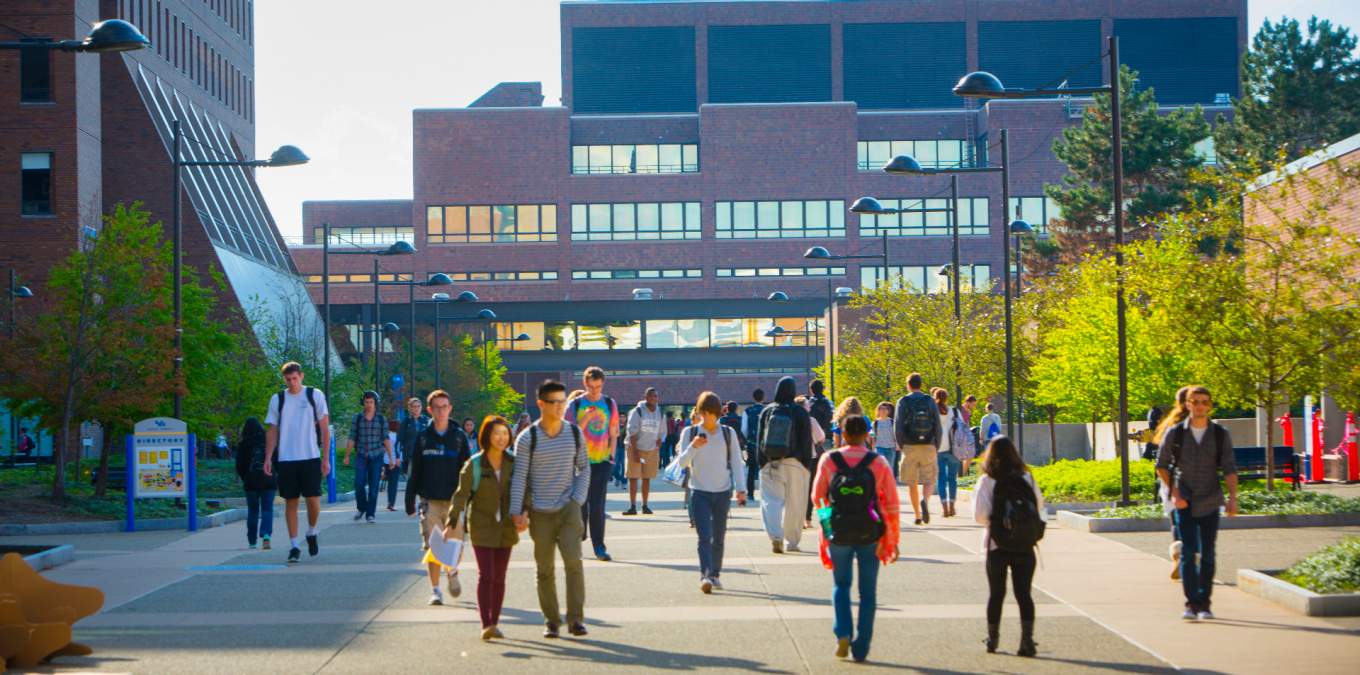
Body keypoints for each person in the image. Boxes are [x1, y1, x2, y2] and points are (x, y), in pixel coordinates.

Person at [811, 415, 900, 662]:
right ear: (867, 434)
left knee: (841, 585)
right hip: (869, 531)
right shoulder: (878, 462)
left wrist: (827, 524)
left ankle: (842, 632)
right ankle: (861, 647)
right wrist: (891, 537)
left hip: (838, 532)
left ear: (843, 432)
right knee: (868, 593)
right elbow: (892, 503)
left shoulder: (830, 460)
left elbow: (817, 497)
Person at [510, 380, 590, 638]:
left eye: (562, 402)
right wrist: (516, 511)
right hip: (540, 512)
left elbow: (584, 468)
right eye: (554, 402)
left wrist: (577, 498)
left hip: (568, 508)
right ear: (541, 404)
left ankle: (576, 619)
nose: (559, 407)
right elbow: (519, 476)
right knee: (544, 568)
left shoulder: (574, 434)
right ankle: (552, 621)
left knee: (573, 561)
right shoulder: (527, 438)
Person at [1156, 385, 1237, 621]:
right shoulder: (1175, 433)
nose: (1200, 405)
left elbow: (1229, 468)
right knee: (1189, 552)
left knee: (1209, 554)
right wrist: (1175, 493)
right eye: (1195, 401)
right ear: (1187, 404)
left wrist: (1233, 498)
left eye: (1204, 402)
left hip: (1211, 499)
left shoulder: (1220, 434)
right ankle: (1191, 603)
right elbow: (1161, 465)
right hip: (1185, 501)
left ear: (1209, 405)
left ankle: (1205, 603)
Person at [448, 415, 520, 640]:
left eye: (505, 433)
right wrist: (452, 522)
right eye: (496, 433)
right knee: (486, 574)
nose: (501, 438)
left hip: (506, 527)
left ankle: (494, 622)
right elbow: (461, 495)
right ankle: (486, 623)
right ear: (487, 436)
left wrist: (525, 512)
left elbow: (524, 490)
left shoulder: (514, 463)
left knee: (500, 576)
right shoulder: (475, 464)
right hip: (481, 525)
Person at [974, 435, 1046, 657]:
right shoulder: (1027, 477)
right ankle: (1027, 641)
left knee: (996, 593)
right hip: (1025, 544)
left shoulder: (987, 480)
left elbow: (980, 515)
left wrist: (998, 526)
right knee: (1024, 594)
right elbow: (1040, 507)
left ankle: (993, 639)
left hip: (997, 544)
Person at [405, 389, 472, 606]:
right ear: (430, 410)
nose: (441, 411)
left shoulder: (459, 437)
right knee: (433, 546)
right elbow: (415, 470)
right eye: (437, 408)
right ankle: (435, 590)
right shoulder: (423, 438)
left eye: (445, 407)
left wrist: (471, 497)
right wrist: (409, 499)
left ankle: (452, 572)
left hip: (455, 501)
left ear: (450, 408)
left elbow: (469, 470)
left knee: (455, 545)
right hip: (430, 500)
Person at [675, 392, 748, 593]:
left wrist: (741, 489)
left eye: (711, 414)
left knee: (719, 536)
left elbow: (736, 462)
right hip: (699, 491)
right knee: (704, 536)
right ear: (698, 412)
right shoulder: (689, 433)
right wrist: (693, 447)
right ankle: (705, 575)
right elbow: (682, 462)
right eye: (703, 413)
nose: (706, 418)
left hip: (723, 491)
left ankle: (715, 574)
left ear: (718, 414)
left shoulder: (727, 433)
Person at [262, 361, 331, 564]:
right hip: (286, 458)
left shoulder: (314, 395)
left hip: (310, 455)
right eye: (288, 379)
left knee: (313, 500)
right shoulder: (278, 399)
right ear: (284, 379)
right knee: (290, 502)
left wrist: (325, 458)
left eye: (294, 378)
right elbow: (272, 429)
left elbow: (325, 429)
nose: (292, 382)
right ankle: (294, 546)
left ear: (301, 376)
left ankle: (311, 531)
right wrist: (268, 457)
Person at [565, 367, 619, 561]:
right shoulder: (576, 404)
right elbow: (568, 433)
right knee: (580, 503)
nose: (595, 390)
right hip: (580, 462)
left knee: (598, 505)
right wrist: (585, 420)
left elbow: (614, 432)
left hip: (602, 461)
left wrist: (611, 457)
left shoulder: (609, 403)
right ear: (585, 384)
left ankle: (599, 547)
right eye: (591, 386)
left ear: (602, 384)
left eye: (598, 386)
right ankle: (579, 536)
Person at [757, 376, 815, 554]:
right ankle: (793, 541)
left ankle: (775, 536)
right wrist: (806, 465)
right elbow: (806, 440)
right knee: (795, 504)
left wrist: (761, 463)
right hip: (796, 463)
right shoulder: (800, 412)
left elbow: (759, 439)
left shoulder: (767, 411)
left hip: (771, 461)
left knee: (771, 501)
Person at [1152, 386, 1192, 580]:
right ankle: (1191, 559)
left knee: (1177, 520)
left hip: (1170, 479)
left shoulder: (1169, 425)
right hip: (1194, 481)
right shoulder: (1197, 424)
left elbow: (1161, 460)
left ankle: (1178, 552)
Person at [895, 373, 942, 525]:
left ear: (908, 385)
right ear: (921, 384)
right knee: (929, 479)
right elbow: (937, 425)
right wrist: (937, 444)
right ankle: (925, 501)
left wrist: (901, 444)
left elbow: (898, 425)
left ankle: (917, 515)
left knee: (912, 481)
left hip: (909, 445)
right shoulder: (930, 400)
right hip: (928, 444)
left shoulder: (903, 401)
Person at [343, 391, 395, 523]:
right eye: (366, 402)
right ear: (363, 403)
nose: (369, 405)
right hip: (361, 455)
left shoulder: (381, 419)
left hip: (376, 456)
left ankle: (370, 514)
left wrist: (390, 457)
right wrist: (347, 455)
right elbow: (352, 437)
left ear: (375, 403)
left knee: (373, 487)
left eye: (371, 402)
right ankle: (361, 508)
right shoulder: (358, 418)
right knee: (359, 484)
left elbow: (386, 439)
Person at [234, 417, 275, 550]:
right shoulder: (269, 441)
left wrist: (245, 477)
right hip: (268, 480)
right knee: (267, 509)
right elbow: (277, 459)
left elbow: (239, 465)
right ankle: (266, 535)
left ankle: (252, 541)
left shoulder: (244, 444)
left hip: (250, 482)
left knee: (253, 511)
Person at [623, 387, 665, 515]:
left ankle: (645, 505)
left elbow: (662, 432)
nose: (652, 398)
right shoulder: (637, 411)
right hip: (634, 448)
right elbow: (632, 433)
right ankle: (632, 506)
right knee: (633, 477)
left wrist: (660, 441)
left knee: (647, 477)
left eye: (655, 396)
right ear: (645, 397)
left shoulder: (660, 413)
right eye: (650, 396)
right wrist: (635, 452)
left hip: (651, 450)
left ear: (657, 398)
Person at [394, 398, 427, 515]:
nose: (416, 409)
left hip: (425, 456)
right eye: (414, 406)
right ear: (410, 408)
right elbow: (398, 441)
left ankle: (423, 504)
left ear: (421, 408)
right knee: (412, 481)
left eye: (418, 406)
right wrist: (397, 456)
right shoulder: (406, 422)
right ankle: (410, 504)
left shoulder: (426, 421)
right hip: (410, 456)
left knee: (425, 481)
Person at [933, 388, 963, 518]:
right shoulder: (955, 411)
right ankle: (952, 506)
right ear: (947, 398)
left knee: (941, 479)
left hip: (938, 448)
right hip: (954, 449)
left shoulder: (933, 412)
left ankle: (944, 508)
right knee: (952, 479)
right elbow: (963, 426)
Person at [742, 389, 765, 499]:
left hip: (751, 444)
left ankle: (750, 494)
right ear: (763, 398)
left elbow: (744, 429)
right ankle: (765, 493)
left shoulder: (747, 411)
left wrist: (748, 438)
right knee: (765, 468)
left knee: (751, 469)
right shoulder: (767, 410)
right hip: (765, 444)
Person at [871, 402, 898, 481]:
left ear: (888, 411)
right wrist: (873, 447)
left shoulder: (892, 422)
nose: (883, 410)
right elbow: (873, 436)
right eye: (881, 409)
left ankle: (889, 483)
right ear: (878, 411)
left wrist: (897, 445)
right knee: (880, 466)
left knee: (890, 467)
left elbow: (896, 435)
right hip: (879, 447)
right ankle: (880, 482)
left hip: (891, 448)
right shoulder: (875, 423)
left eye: (885, 409)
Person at [808, 379, 834, 452]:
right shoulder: (829, 403)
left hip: (812, 438)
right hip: (827, 436)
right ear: (823, 389)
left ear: (811, 390)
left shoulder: (808, 404)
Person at [384, 418, 402, 511]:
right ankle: (391, 503)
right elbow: (399, 449)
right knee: (393, 484)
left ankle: (389, 502)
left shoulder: (386, 436)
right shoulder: (398, 436)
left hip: (385, 461)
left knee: (388, 483)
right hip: (395, 462)